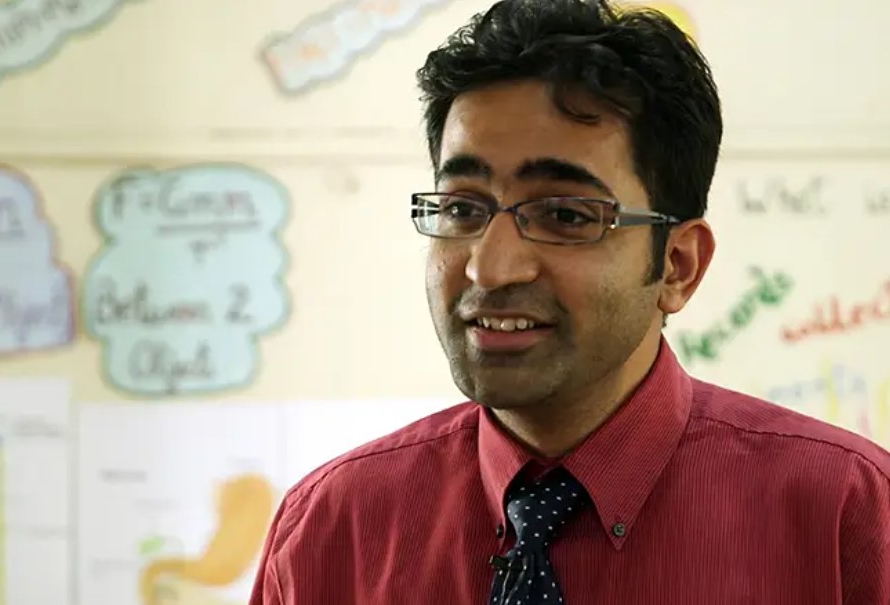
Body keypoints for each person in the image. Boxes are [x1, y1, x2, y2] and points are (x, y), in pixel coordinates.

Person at [248, 0, 890, 603]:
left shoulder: (847, 515)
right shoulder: (332, 530)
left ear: (677, 265)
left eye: (564, 215)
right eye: (463, 208)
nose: (489, 267)